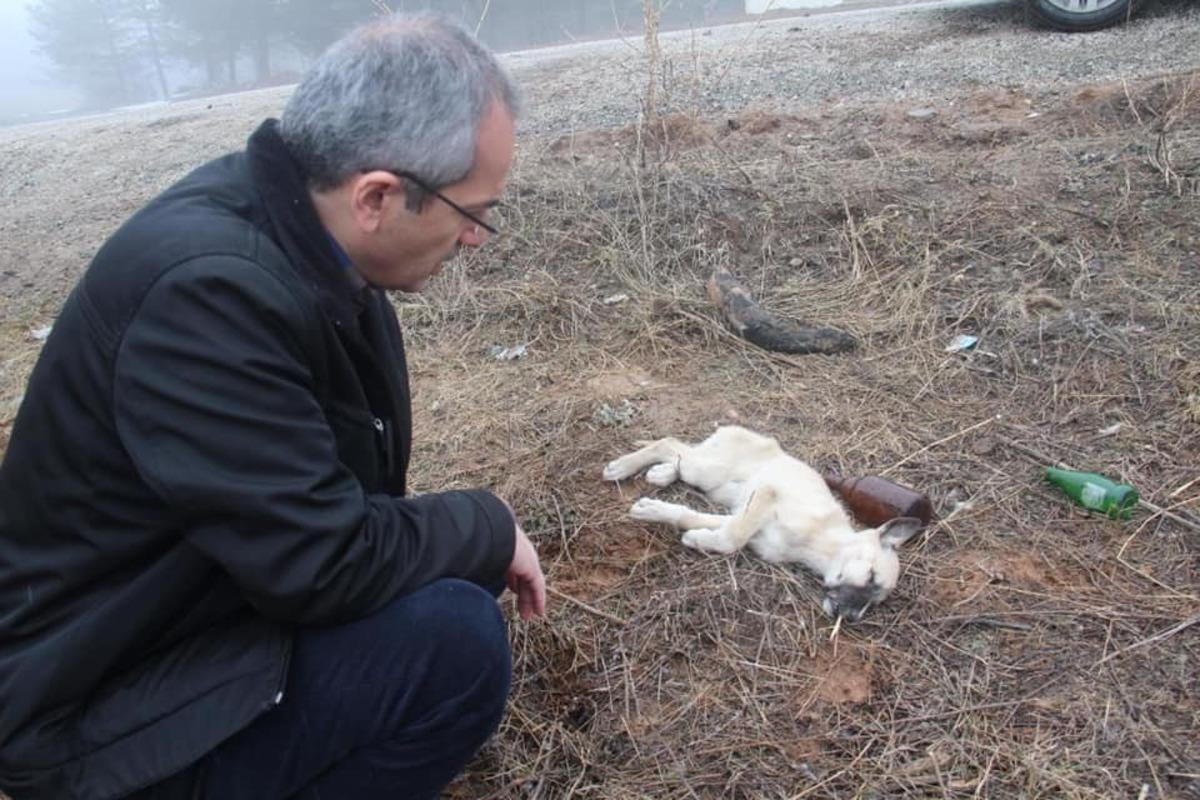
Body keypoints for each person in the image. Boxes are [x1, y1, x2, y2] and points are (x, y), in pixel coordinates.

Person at [0, 13, 546, 800]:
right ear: (377, 196)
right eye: (472, 213)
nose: (476, 240)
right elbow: (321, 565)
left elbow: (323, 519)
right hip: (95, 718)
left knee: (437, 591)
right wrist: (486, 525)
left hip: (185, 630)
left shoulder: (307, 245)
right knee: (451, 646)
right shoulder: (206, 295)